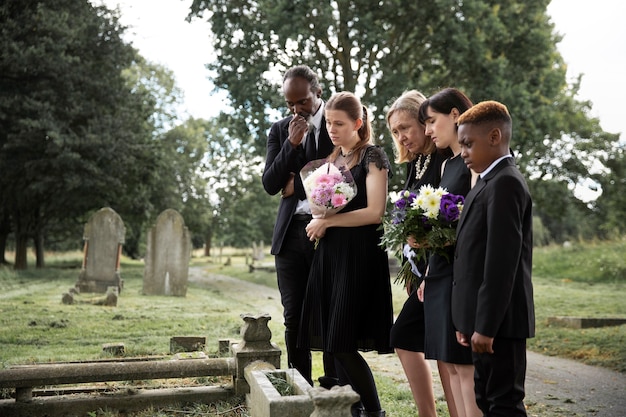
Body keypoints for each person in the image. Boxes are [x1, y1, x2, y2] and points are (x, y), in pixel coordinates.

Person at [298, 91, 393, 417]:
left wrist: (328, 222)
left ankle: (374, 412)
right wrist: (318, 215)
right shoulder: (333, 160)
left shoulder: (374, 156)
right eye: (328, 123)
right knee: (333, 343)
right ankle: (357, 411)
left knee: (341, 343)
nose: (332, 129)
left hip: (358, 257)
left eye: (339, 123)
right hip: (331, 256)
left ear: (358, 122)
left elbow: (375, 212)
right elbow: (320, 205)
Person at [453, 100, 535, 416]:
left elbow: (501, 264)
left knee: (504, 405)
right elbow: (471, 256)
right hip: (481, 321)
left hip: (501, 324)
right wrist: (466, 319)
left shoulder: (506, 184)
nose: (463, 152)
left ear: (495, 136)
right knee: (487, 401)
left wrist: (485, 326)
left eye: (468, 144)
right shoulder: (486, 182)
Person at [262, 65, 337, 387]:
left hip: (329, 231)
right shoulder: (280, 131)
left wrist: (299, 183)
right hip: (290, 234)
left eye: (302, 102)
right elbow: (270, 183)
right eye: (290, 104)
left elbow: (343, 180)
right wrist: (291, 144)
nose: (296, 110)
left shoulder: (338, 125)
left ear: (318, 93)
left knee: (330, 315)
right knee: (294, 316)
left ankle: (334, 385)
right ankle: (300, 386)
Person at [416, 88, 482, 417]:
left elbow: (471, 227)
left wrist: (432, 242)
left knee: (464, 366)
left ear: (455, 115)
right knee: (449, 364)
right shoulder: (446, 167)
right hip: (439, 274)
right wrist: (428, 272)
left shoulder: (473, 165)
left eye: (431, 121)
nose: (428, 131)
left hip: (460, 274)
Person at [386, 90, 450, 417]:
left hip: (440, 267)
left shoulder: (442, 159)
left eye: (406, 128)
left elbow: (444, 218)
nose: (402, 137)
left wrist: (427, 270)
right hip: (420, 268)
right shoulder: (416, 162)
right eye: (395, 132)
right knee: (415, 339)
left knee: (418, 340)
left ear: (424, 122)